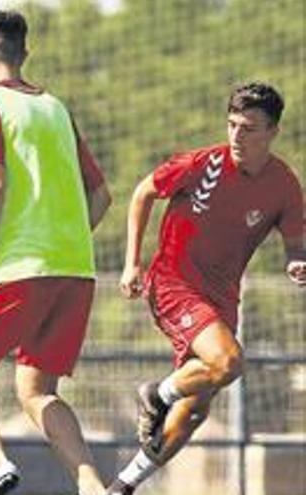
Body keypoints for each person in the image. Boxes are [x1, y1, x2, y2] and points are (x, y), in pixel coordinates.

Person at [107, 82, 305, 495]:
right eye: (232, 125)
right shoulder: (204, 163)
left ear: (273, 132)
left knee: (196, 408)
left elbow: (295, 245)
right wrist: (132, 263)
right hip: (173, 284)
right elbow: (144, 191)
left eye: (249, 128)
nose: (237, 136)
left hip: (221, 299)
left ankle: (124, 486)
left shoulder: (284, 185)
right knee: (229, 362)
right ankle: (157, 393)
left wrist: (296, 263)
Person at [0, 10, 113, 495]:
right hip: (75, 271)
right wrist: (66, 239)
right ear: (25, 54)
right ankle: (92, 486)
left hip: (14, 270)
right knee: (37, 391)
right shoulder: (56, 108)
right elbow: (101, 196)